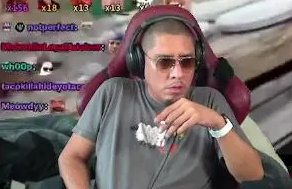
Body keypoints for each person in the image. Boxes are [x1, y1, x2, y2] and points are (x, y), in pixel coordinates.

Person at [57, 15, 265, 188]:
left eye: (187, 62)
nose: (177, 74)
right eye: (164, 62)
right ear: (140, 62)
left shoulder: (210, 101)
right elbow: (71, 157)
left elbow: (252, 175)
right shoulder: (112, 93)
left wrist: (217, 123)